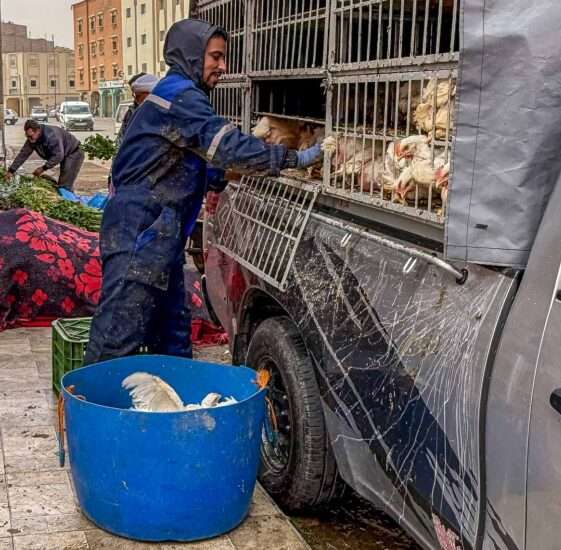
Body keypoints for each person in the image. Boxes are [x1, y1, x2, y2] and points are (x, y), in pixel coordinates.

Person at [84, 18, 329, 364]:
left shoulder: (179, 98)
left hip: (159, 236)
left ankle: (171, 404)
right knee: (118, 335)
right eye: (215, 57)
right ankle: (92, 408)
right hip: (139, 232)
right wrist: (294, 158)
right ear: (191, 56)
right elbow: (226, 147)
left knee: (173, 333)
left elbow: (203, 166)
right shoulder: (179, 96)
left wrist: (237, 172)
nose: (223, 66)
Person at [4, 120, 85, 191]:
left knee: (64, 184)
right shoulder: (32, 139)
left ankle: (70, 202)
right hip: (65, 154)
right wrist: (11, 171)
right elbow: (23, 154)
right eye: (27, 136)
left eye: (31, 136)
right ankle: (68, 196)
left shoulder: (51, 136)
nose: (29, 139)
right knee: (63, 182)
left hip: (74, 153)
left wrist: (43, 168)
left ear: (38, 131)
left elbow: (58, 155)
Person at [115, 72, 158, 147]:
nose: (135, 99)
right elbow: (122, 136)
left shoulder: (163, 112)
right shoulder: (131, 112)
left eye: (138, 96)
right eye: (134, 94)